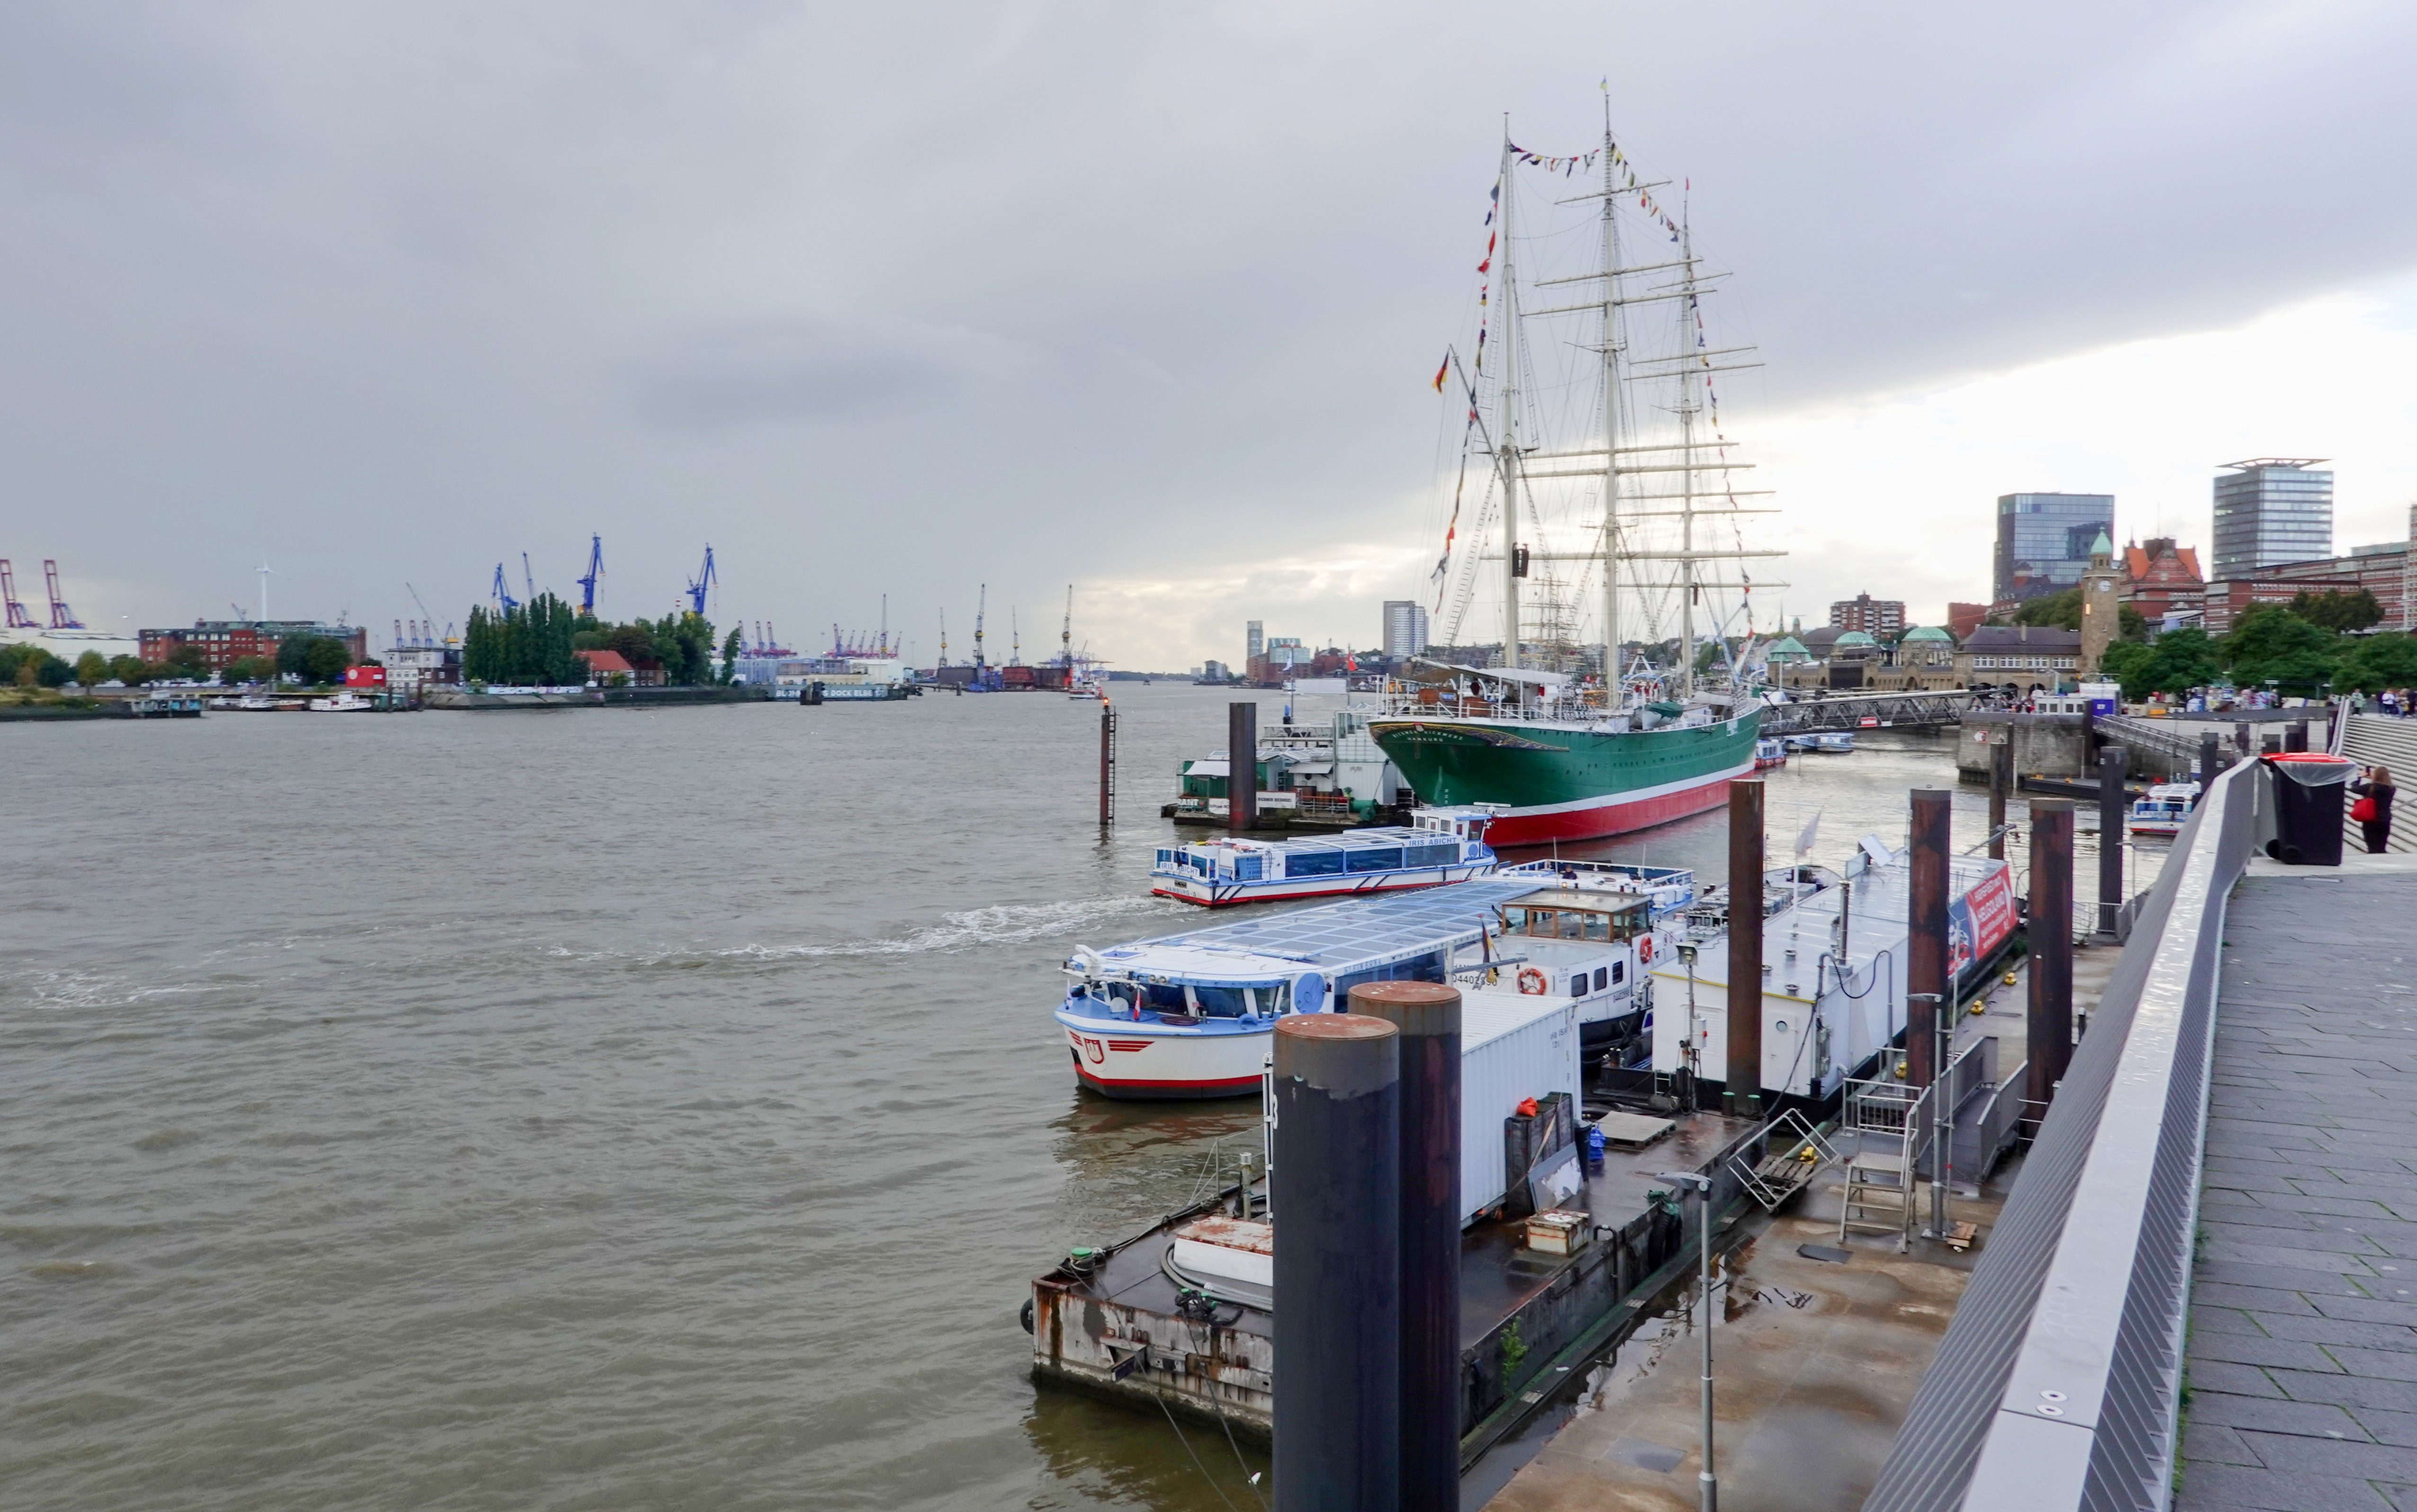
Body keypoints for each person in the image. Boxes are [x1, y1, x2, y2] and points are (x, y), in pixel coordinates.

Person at [2352, 765, 2397, 855]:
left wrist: (2360, 777)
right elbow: (2381, 785)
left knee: (2372, 848)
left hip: (2371, 820)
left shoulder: (2370, 787)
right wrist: (2374, 779)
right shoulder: (2392, 789)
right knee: (2382, 848)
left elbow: (2354, 789)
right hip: (2385, 820)